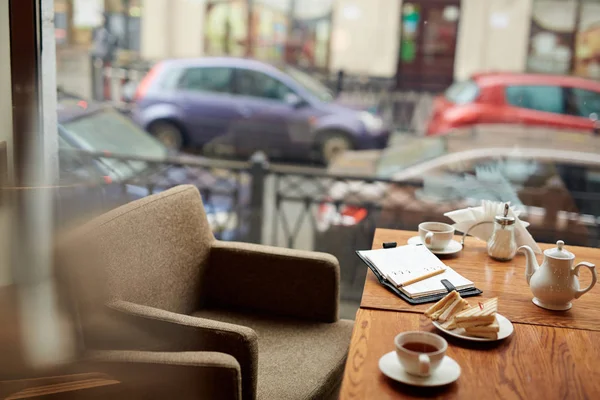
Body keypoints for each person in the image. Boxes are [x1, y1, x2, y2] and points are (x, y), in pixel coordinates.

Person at [90, 13, 118, 100]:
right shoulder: (97, 30)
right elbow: (96, 45)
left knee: (106, 78)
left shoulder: (108, 31)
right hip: (99, 57)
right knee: (99, 78)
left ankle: (106, 96)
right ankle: (99, 96)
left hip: (107, 58)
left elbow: (111, 45)